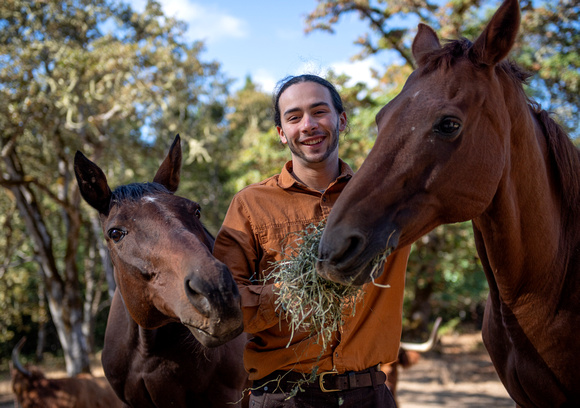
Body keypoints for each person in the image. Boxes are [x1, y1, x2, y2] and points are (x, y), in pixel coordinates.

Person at [213, 74, 411, 408]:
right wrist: (295, 293)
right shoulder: (249, 205)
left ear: (341, 120)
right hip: (283, 398)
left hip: (370, 395)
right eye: (294, 117)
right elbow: (224, 304)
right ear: (281, 134)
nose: (308, 125)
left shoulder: (385, 198)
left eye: (319, 112)